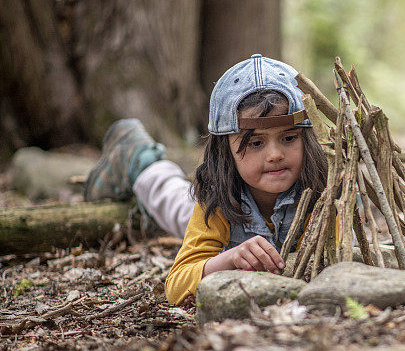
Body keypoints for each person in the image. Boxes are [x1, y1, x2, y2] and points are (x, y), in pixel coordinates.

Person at [84, 54, 328, 305]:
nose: (275, 155)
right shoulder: (215, 201)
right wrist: (229, 260)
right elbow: (176, 285)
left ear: (307, 139)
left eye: (289, 138)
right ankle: (138, 157)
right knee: (174, 201)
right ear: (225, 153)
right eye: (255, 143)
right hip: (224, 206)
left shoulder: (327, 195)